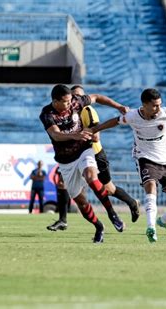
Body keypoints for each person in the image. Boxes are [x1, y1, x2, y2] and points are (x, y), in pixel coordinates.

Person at [90, 88, 166, 242]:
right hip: (145, 159)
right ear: (144, 105)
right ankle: (151, 227)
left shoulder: (165, 113)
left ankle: (163, 221)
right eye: (155, 105)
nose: (158, 108)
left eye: (160, 104)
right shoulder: (133, 116)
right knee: (151, 186)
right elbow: (116, 121)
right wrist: (96, 129)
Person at [40, 84, 127, 243]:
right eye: (65, 102)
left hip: (83, 151)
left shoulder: (75, 101)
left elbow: (97, 97)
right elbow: (56, 135)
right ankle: (99, 227)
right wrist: (75, 135)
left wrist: (118, 106)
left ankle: (112, 213)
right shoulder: (47, 113)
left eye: (69, 101)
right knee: (81, 201)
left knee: (91, 177)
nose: (69, 104)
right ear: (55, 101)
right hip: (66, 161)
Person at [74, 85, 140, 222]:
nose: (77, 99)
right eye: (74, 96)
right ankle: (63, 219)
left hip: (95, 154)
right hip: (81, 155)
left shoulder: (87, 110)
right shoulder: (70, 111)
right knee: (79, 187)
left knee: (108, 188)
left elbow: (96, 136)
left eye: (80, 96)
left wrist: (78, 135)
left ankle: (131, 203)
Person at [46, 166, 71, 231]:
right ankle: (62, 220)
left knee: (81, 201)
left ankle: (99, 226)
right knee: (61, 184)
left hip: (80, 164)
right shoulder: (60, 166)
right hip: (70, 164)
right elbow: (54, 175)